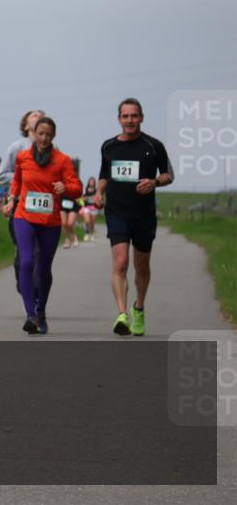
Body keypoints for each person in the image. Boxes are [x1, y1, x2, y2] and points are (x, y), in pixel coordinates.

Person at [95, 98, 173, 337]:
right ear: (119, 119)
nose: (130, 120)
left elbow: (169, 174)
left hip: (143, 214)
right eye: (125, 116)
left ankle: (138, 307)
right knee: (120, 263)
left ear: (141, 117)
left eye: (134, 116)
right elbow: (104, 174)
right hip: (117, 211)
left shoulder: (153, 145)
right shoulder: (108, 146)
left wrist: (154, 182)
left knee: (141, 266)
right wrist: (99, 192)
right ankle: (122, 314)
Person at [4, 117, 81, 335]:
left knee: (43, 269)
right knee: (26, 262)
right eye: (40, 133)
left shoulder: (62, 160)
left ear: (53, 136)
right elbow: (17, 182)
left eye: (48, 134)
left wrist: (64, 187)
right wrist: (11, 199)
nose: (44, 138)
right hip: (24, 217)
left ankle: (41, 312)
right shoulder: (23, 157)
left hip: (50, 222)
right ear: (34, 134)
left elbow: (77, 188)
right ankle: (30, 315)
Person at [0, 110, 46, 294]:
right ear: (26, 125)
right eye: (34, 115)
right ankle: (23, 280)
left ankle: (34, 291)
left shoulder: (53, 149)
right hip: (20, 205)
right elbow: (1, 175)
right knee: (25, 252)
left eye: (42, 114)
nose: (39, 116)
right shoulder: (17, 147)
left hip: (44, 208)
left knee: (38, 252)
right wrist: (26, 178)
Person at [79, 177, 99, 242]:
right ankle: (87, 233)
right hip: (86, 207)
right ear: (88, 182)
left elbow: (99, 199)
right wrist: (85, 198)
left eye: (93, 182)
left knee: (92, 223)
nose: (92, 183)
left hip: (94, 208)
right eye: (91, 181)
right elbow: (81, 198)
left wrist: (96, 199)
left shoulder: (96, 191)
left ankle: (92, 234)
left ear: (95, 183)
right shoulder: (85, 190)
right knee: (87, 221)